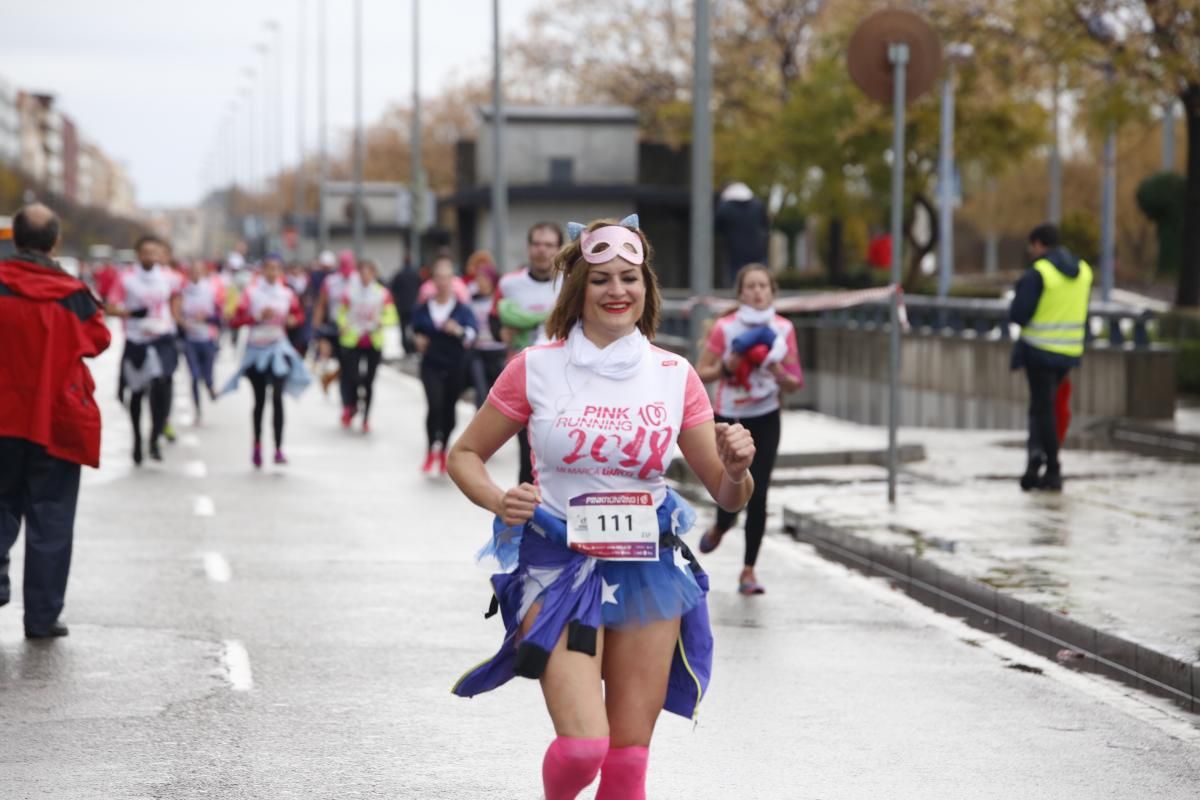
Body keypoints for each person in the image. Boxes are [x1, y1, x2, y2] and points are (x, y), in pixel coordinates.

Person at [447, 215, 756, 800]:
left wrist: (739, 470)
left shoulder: (674, 375)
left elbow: (726, 493)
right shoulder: (535, 368)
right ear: (577, 290)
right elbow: (463, 454)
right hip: (559, 568)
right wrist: (500, 499)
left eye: (630, 278)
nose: (618, 291)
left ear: (648, 289)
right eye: (601, 279)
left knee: (626, 763)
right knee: (584, 746)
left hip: (648, 572)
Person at [0, 203, 112, 639]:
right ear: (55, 243)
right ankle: (43, 617)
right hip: (54, 419)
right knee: (51, 516)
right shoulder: (73, 294)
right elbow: (98, 340)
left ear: (14, 239)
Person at [694, 263, 803, 595]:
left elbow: (796, 381)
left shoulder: (783, 329)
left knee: (760, 493)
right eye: (751, 286)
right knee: (730, 483)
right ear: (740, 293)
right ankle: (721, 525)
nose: (757, 292)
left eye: (763, 286)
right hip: (729, 416)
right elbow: (701, 372)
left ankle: (748, 570)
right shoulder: (726, 328)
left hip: (766, 415)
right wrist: (727, 366)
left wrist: (778, 372)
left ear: (772, 292)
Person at [1009, 223, 1093, 492]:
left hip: (1039, 350)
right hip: (1068, 351)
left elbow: (1019, 314)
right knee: (1044, 407)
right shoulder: (1084, 271)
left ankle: (1052, 467)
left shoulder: (1040, 272)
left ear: (1037, 244)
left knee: (1042, 408)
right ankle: (1035, 461)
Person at [491, 222, 564, 484]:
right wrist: (501, 331)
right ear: (529, 247)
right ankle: (528, 515)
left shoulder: (571, 284)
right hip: (523, 378)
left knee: (559, 449)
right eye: (536, 244)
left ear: (559, 249)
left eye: (549, 245)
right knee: (529, 450)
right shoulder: (510, 284)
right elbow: (494, 320)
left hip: (564, 377)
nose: (542, 251)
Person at [222, 255, 312, 468]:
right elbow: (235, 321)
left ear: (281, 272)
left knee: (278, 398)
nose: (273, 273)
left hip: (278, 349)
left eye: (277, 269)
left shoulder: (287, 294)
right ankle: (257, 446)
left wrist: (292, 320)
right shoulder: (251, 293)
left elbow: (298, 317)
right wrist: (257, 317)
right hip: (256, 350)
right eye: (269, 268)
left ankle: (279, 448)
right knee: (260, 401)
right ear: (262, 271)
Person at [105, 235, 182, 465]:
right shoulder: (126, 278)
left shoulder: (172, 278)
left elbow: (176, 302)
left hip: (162, 339)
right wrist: (130, 313)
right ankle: (137, 439)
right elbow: (110, 307)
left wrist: (178, 324)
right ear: (138, 254)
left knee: (162, 388)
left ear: (160, 254)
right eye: (145, 252)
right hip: (137, 340)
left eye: (154, 252)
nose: (150, 256)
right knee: (136, 393)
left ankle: (155, 437)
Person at [411, 254, 478, 475]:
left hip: (455, 364)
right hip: (431, 363)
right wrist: (416, 340)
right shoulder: (423, 308)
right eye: (438, 277)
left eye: (446, 277)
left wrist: (458, 330)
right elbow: (412, 331)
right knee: (434, 405)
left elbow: (472, 335)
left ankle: (444, 447)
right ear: (433, 281)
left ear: (453, 280)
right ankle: (431, 449)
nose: (442, 282)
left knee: (449, 409)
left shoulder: (462, 309)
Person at [335, 259, 398, 432]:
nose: (364, 276)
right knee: (353, 377)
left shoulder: (382, 293)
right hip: (353, 339)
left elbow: (392, 315)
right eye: (361, 273)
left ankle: (366, 418)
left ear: (374, 274)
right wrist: (342, 324)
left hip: (373, 340)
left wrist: (381, 321)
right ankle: (353, 405)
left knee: (369, 381)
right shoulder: (350, 292)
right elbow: (341, 313)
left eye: (368, 273)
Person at [180, 260, 225, 423]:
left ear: (204, 272)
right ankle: (198, 410)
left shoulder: (212, 291)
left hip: (208, 338)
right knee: (194, 375)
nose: (195, 274)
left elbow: (220, 318)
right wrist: (182, 322)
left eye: (199, 271)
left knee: (207, 374)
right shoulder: (183, 291)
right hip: (190, 340)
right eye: (192, 271)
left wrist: (207, 318)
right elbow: (177, 312)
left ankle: (210, 386)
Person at [465, 254, 506, 408]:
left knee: (502, 397)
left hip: (499, 352)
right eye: (478, 279)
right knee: (481, 395)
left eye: (484, 278)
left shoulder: (501, 300)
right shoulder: (470, 300)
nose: (480, 282)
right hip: (479, 353)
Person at [714, 181, 769, 288]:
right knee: (760, 274)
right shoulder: (758, 205)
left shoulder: (724, 207)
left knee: (737, 279)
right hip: (758, 250)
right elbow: (765, 225)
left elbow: (717, 228)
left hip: (735, 250)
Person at [388, 254, 422, 356]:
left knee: (403, 328)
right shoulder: (416, 274)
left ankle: (406, 347)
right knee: (413, 327)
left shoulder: (399, 274)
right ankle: (413, 347)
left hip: (401, 306)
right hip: (414, 305)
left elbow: (392, 288)